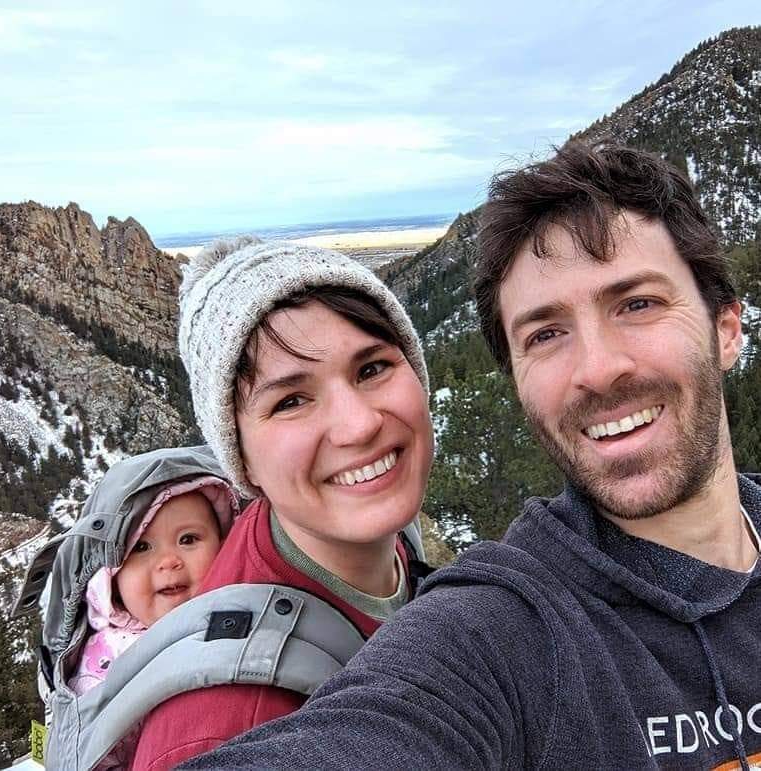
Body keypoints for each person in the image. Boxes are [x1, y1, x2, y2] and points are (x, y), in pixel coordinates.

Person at [177, 143, 761, 771]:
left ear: (727, 326)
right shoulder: (498, 632)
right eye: (546, 334)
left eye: (637, 304)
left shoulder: (401, 562)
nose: (597, 369)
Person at [130, 237, 435, 769]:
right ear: (242, 461)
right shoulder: (228, 735)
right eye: (291, 400)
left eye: (372, 369)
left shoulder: (375, 534)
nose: (359, 425)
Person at [67, 465, 238, 768]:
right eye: (142, 547)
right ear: (112, 577)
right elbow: (88, 750)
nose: (168, 561)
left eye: (188, 539)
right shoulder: (108, 658)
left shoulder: (243, 614)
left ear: (224, 547)